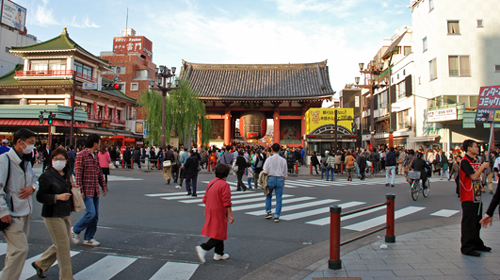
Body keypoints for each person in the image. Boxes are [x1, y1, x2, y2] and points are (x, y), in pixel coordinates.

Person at [0, 128, 38, 280]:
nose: (32, 147)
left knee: (13, 251)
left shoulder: (26, 162)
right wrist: (3, 211)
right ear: (19, 142)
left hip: (25, 212)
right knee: (21, 250)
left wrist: (32, 188)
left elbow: (35, 181)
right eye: (30, 143)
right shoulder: (4, 160)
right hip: (11, 213)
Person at [33, 148, 74, 279]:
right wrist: (57, 197)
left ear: (66, 161)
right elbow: (40, 196)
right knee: (63, 247)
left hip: (65, 212)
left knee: (61, 244)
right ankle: (66, 277)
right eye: (55, 159)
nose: (58, 161)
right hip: (52, 214)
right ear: (51, 160)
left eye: (61, 159)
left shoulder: (67, 173)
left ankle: (40, 263)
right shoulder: (46, 175)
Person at [71, 134, 108, 247]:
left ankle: (88, 237)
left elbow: (99, 172)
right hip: (86, 190)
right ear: (94, 143)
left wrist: (103, 186)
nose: (100, 145)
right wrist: (80, 190)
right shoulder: (81, 155)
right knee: (90, 213)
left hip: (95, 189)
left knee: (95, 215)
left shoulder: (95, 155)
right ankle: (75, 230)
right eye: (99, 142)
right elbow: (78, 174)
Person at [195, 164, 234, 263]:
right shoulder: (225, 185)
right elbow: (227, 202)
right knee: (219, 232)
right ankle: (203, 248)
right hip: (219, 210)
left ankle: (219, 253)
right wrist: (231, 215)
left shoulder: (212, 182)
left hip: (210, 208)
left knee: (219, 231)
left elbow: (205, 197)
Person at [458, 139, 490, 257]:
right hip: (468, 197)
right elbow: (472, 176)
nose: (478, 149)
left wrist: (481, 185)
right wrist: (482, 168)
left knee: (477, 221)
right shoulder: (465, 161)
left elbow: (476, 178)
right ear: (469, 148)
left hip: (476, 195)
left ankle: (477, 243)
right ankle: (467, 246)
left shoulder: (474, 161)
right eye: (476, 147)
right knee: (469, 223)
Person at [262, 143, 287, 223]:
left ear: (272, 149)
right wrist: (283, 181)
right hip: (280, 179)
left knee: (268, 196)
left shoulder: (269, 159)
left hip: (271, 178)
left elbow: (265, 171)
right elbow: (285, 173)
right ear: (280, 150)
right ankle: (277, 215)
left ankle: (268, 212)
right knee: (279, 198)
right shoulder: (283, 160)